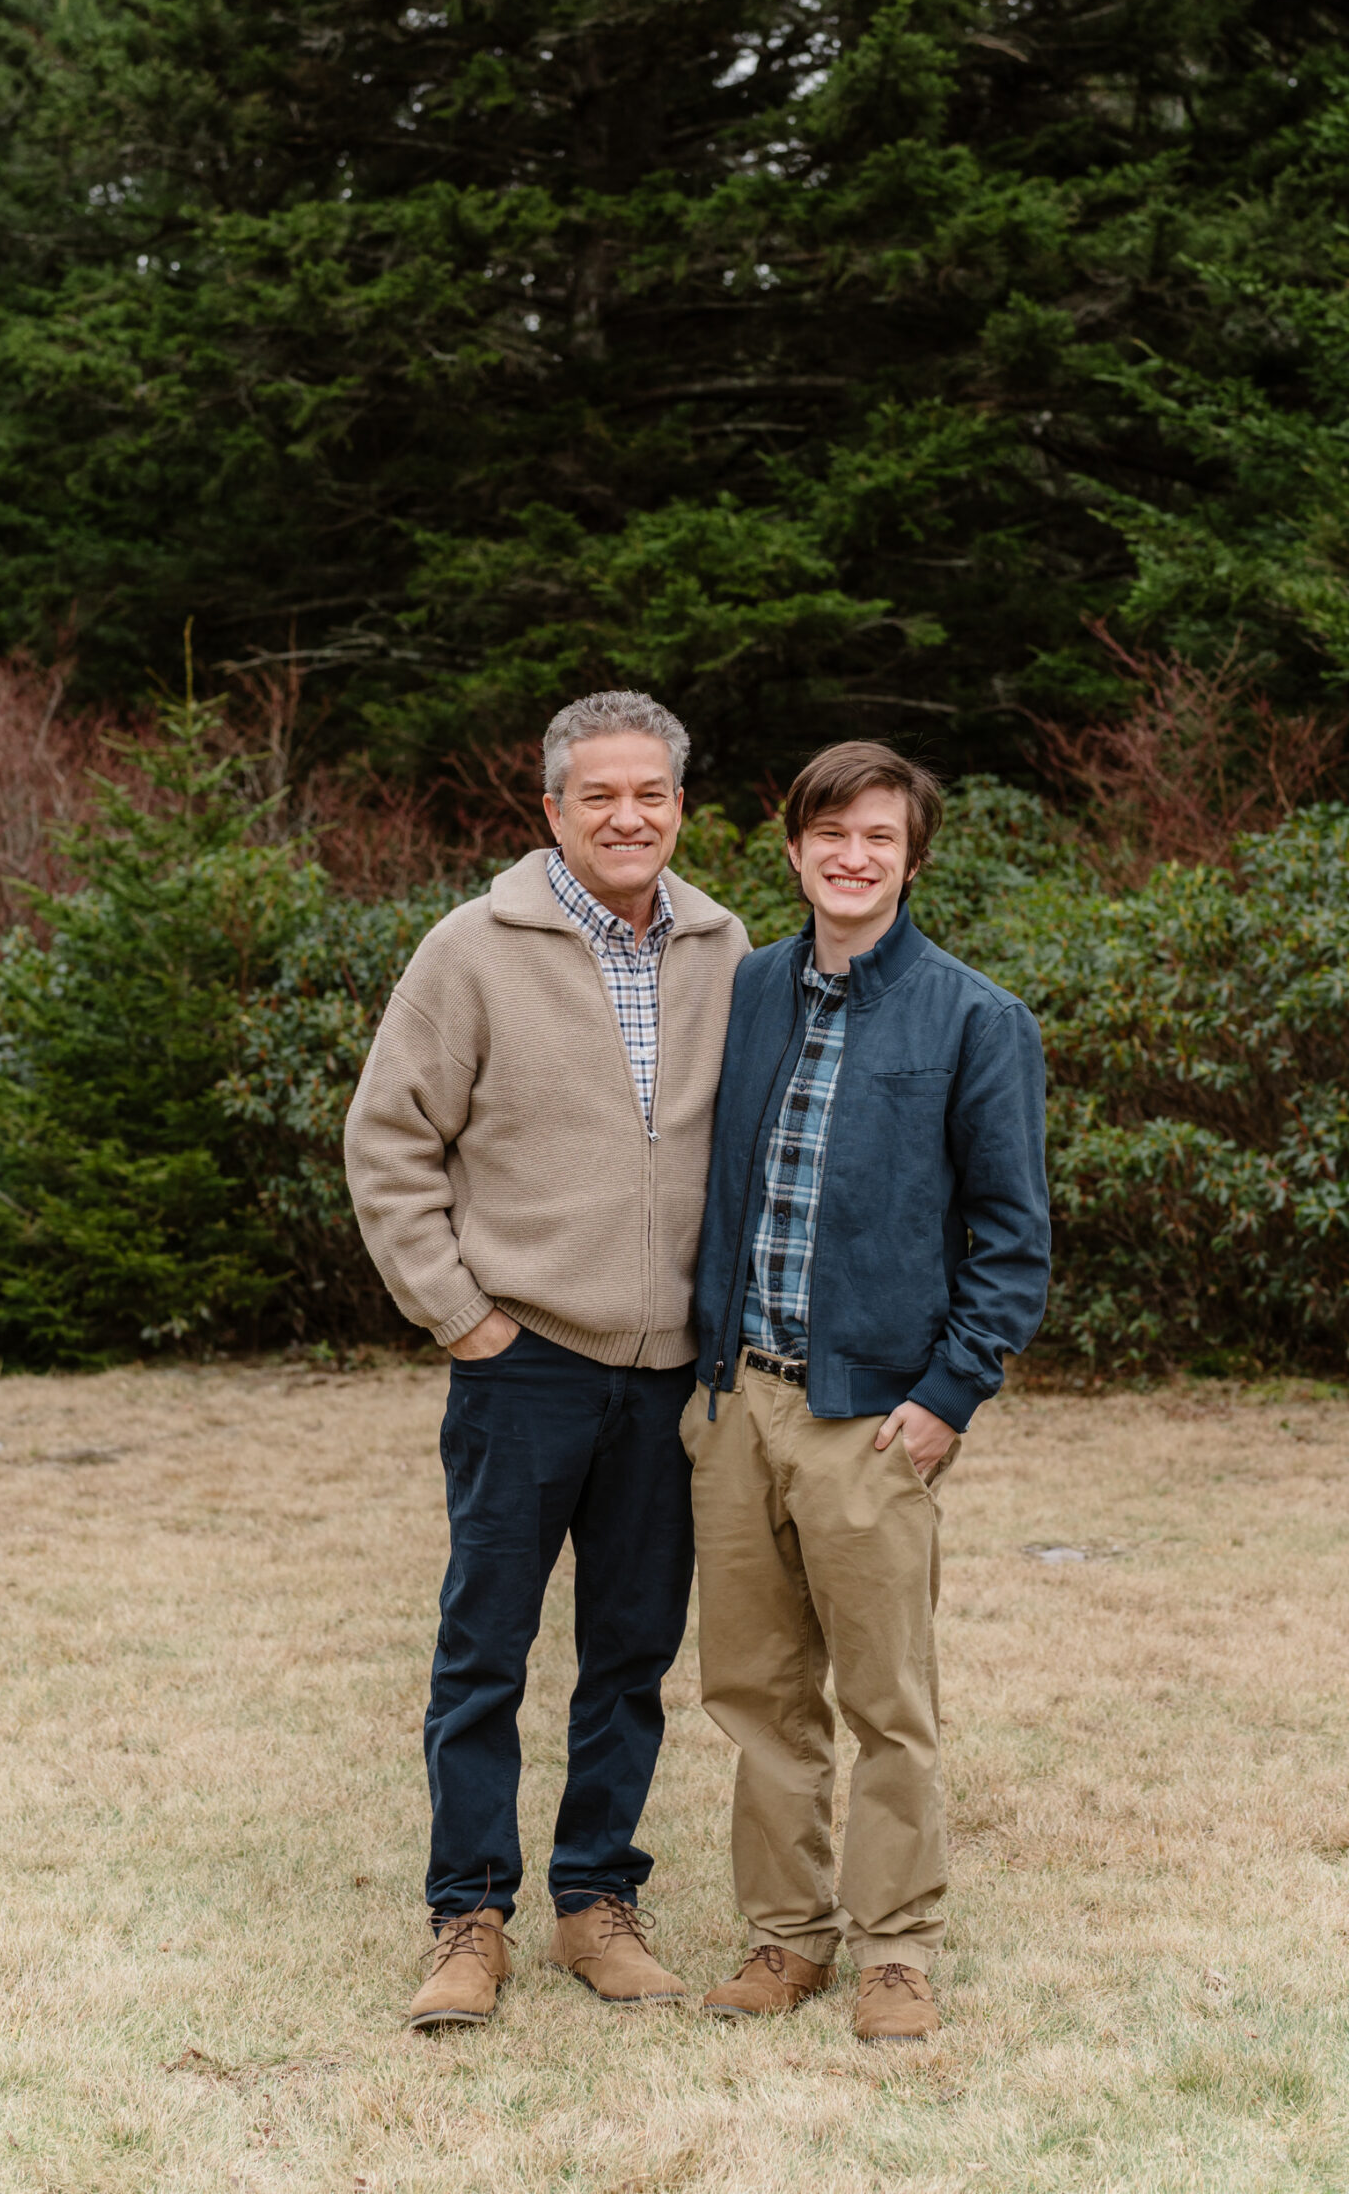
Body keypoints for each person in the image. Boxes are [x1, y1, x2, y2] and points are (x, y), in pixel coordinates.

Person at [344, 689, 749, 2031]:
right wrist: (460, 1316)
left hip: (667, 1374)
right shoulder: (471, 948)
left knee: (631, 1656)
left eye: (651, 795)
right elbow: (389, 1142)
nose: (626, 817)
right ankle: (467, 1920)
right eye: (598, 796)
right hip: (522, 1362)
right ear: (552, 810)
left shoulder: (724, 946)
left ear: (679, 806)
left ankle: (595, 1903)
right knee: (485, 1654)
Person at [685, 740, 1049, 2042]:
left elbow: (1012, 1240)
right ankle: (786, 1938)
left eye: (877, 838)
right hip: (736, 1407)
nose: (850, 857)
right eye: (827, 834)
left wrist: (947, 1394)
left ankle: (894, 1951)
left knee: (885, 1702)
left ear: (910, 859)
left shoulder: (973, 1019)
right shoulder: (747, 995)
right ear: (792, 851)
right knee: (754, 1692)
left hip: (872, 1416)